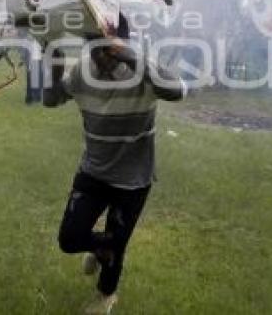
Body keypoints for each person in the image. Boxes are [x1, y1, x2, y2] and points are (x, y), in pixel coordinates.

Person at [43, 41, 185, 314]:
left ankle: (105, 295)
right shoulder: (82, 72)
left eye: (108, 48)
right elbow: (50, 101)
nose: (101, 57)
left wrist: (132, 57)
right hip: (93, 172)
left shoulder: (144, 71)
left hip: (132, 179)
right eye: (95, 48)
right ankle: (100, 249)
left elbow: (177, 91)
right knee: (69, 239)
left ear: (123, 42)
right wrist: (54, 73)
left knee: (116, 243)